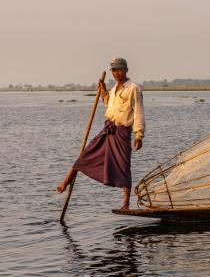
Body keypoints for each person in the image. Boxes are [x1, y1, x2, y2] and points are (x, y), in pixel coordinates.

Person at [56, 58, 145, 209]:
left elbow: (138, 112)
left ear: (126, 70)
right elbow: (109, 105)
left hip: (122, 131)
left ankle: (125, 203)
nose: (116, 73)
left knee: (124, 165)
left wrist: (139, 135)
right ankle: (67, 179)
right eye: (114, 70)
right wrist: (103, 91)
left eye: (119, 70)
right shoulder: (114, 88)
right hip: (108, 128)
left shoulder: (133, 88)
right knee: (86, 153)